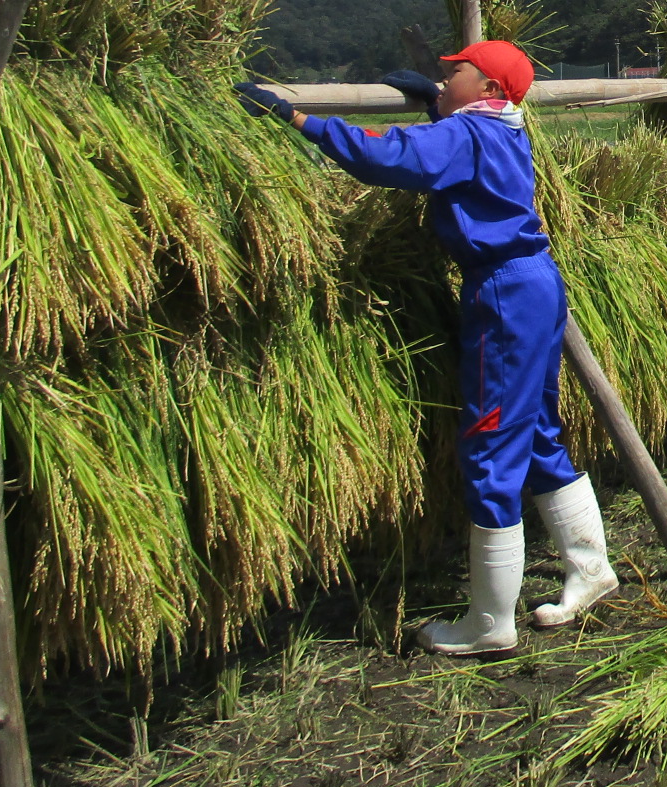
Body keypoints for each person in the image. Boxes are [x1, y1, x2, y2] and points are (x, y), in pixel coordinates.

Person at [234, 42, 617, 654]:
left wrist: (294, 116)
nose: (444, 72)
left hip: (502, 296)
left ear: (488, 87)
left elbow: (384, 156)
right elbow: (460, 147)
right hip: (537, 283)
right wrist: (438, 106)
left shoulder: (467, 134)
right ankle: (591, 569)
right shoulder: (503, 128)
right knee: (540, 429)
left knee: (491, 447)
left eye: (455, 70)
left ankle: (491, 623)